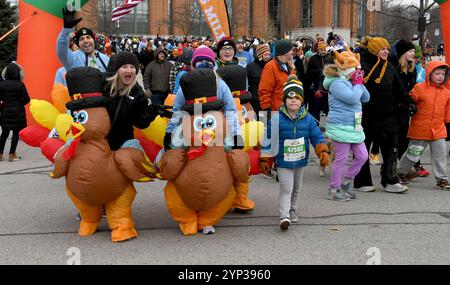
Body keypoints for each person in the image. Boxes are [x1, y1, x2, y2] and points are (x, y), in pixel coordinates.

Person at [260, 75, 329, 230]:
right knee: (286, 187)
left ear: (302, 101)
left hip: (301, 159)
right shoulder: (277, 119)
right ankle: (284, 216)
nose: (293, 101)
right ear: (284, 100)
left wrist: (322, 151)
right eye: (290, 98)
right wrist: (266, 159)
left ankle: (292, 209)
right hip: (283, 160)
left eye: (297, 98)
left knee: (296, 188)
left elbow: (317, 136)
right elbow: (268, 139)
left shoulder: (308, 119)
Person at [354, 37, 416, 193]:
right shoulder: (361, 66)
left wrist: (409, 103)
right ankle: (362, 181)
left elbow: (400, 89)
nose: (386, 51)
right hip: (366, 114)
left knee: (391, 148)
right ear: (374, 50)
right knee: (363, 149)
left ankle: (390, 180)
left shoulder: (390, 68)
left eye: (388, 49)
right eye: (383, 49)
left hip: (388, 113)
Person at [164, 46, 241, 151]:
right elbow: (177, 110)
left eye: (208, 60)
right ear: (194, 64)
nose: (204, 63)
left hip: (216, 128)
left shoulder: (220, 84)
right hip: (192, 130)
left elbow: (230, 110)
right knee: (175, 152)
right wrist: (169, 132)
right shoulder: (187, 84)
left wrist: (236, 134)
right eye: (200, 60)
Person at [323, 50, 370, 201]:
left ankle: (346, 181)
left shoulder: (351, 82)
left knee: (362, 156)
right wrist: (357, 85)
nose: (357, 73)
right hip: (340, 126)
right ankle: (334, 189)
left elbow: (366, 98)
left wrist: (359, 83)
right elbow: (351, 98)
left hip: (354, 126)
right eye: (355, 70)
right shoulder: (337, 83)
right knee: (341, 159)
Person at [397, 62, 450, 190]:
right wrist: (408, 107)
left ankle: (442, 179)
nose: (440, 77)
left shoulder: (447, 92)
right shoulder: (419, 88)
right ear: (429, 74)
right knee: (412, 155)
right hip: (420, 129)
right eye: (437, 74)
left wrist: (448, 122)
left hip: (438, 130)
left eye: (443, 74)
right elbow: (408, 101)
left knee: (440, 155)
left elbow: (447, 110)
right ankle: (400, 173)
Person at [104, 52, 161, 151]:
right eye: (124, 67)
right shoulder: (105, 86)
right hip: (102, 141)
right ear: (117, 69)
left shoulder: (138, 94)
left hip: (122, 144)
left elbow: (140, 123)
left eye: (132, 67)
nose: (129, 70)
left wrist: (151, 111)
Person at [57, 6, 109, 72]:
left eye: (88, 37)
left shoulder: (106, 59)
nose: (86, 41)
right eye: (82, 39)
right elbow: (61, 51)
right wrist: (66, 29)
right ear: (78, 44)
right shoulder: (72, 59)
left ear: (93, 40)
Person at [0, 62, 30, 162]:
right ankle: (12, 155)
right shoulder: (20, 85)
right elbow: (27, 99)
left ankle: (0, 155)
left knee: (4, 134)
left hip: (5, 111)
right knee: (16, 134)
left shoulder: (1, 84)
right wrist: (19, 103)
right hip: (18, 112)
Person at [259, 40, 297, 113]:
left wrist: (293, 68)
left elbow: (294, 84)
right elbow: (264, 91)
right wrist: (268, 111)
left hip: (289, 110)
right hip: (276, 111)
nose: (292, 52)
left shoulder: (287, 64)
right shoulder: (270, 67)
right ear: (285, 52)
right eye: (291, 50)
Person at [246, 44, 272, 116]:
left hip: (270, 99)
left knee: (272, 124)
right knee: (260, 123)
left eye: (269, 55)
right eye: (266, 55)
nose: (268, 57)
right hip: (256, 100)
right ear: (260, 55)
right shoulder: (251, 67)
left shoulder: (271, 65)